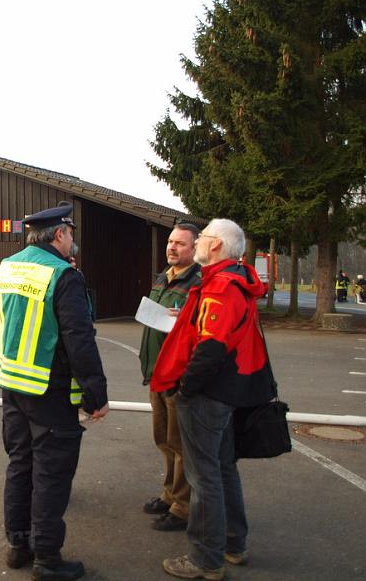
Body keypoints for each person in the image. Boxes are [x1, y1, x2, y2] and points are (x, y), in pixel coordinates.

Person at [152, 219, 276, 581]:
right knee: (222, 469)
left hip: (208, 395)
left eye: (202, 237)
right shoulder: (235, 279)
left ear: (217, 246)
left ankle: (206, 559)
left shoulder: (221, 285)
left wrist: (186, 387)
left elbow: (212, 346)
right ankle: (233, 544)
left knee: (203, 476)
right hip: (227, 391)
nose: (198, 243)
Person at [0, 204, 109, 581]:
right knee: (51, 475)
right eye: (71, 234)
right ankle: (47, 558)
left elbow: (0, 321)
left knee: (20, 466)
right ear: (59, 234)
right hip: (49, 391)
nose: (73, 241)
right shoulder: (64, 275)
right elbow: (79, 339)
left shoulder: (7, 267)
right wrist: (96, 394)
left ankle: (18, 547)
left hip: (12, 385)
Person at [139, 223, 201, 532]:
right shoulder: (165, 276)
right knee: (162, 440)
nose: (172, 247)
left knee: (180, 445)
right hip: (157, 374)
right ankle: (169, 493)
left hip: (178, 376)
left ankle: (182, 506)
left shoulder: (198, 282)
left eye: (179, 243)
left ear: (195, 248)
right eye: (170, 241)